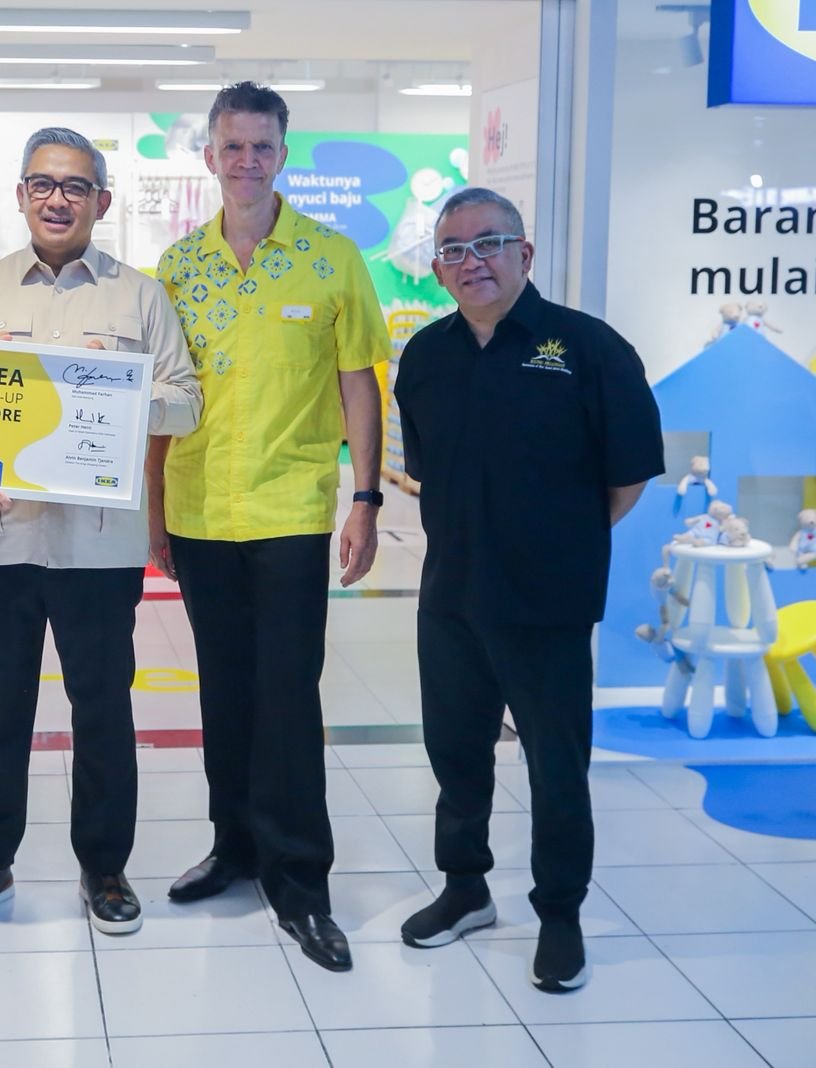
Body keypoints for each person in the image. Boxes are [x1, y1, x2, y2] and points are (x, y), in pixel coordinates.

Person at [0, 128, 202, 936]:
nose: (57, 199)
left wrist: (103, 398)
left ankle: (104, 867)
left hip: (98, 548)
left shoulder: (139, 297)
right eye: (42, 184)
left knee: (102, 708)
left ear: (101, 201)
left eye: (75, 186)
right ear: (20, 195)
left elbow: (186, 402)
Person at [392, 186, 663, 992]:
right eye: (453, 250)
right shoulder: (426, 357)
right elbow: (426, 471)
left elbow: (627, 475)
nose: (470, 261)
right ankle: (465, 888)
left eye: (488, 243)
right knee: (455, 752)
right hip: (450, 593)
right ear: (438, 269)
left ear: (524, 253)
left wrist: (559, 540)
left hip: (547, 598)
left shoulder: (587, 348)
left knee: (555, 764)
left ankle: (561, 915)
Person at [150, 82, 389, 973]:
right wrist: (155, 510)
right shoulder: (178, 267)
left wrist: (366, 498)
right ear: (209, 156)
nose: (246, 161)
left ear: (283, 155)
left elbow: (359, 382)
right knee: (224, 691)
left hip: (290, 510)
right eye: (232, 146)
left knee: (288, 695)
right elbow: (159, 399)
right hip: (201, 508)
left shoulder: (331, 259)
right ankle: (235, 845)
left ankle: (300, 878)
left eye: (262, 146)